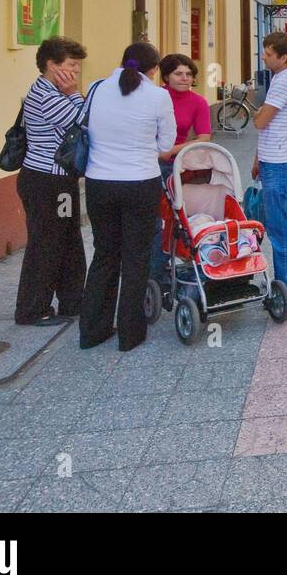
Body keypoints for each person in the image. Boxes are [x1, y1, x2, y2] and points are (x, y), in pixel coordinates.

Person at [80, 42, 175, 352]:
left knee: (105, 254)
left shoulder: (96, 89)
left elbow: (83, 126)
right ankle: (130, 334)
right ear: (154, 69)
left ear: (122, 62)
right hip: (140, 183)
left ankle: (92, 330)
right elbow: (166, 144)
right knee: (136, 257)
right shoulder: (159, 96)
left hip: (99, 183)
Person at [15, 36, 89, 326]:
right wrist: (74, 93)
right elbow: (84, 121)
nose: (76, 72)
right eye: (71, 66)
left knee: (68, 238)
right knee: (47, 243)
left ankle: (73, 300)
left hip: (59, 180)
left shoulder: (51, 92)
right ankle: (33, 309)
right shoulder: (48, 95)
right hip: (48, 182)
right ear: (51, 65)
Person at [252, 31, 287, 299]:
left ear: (283, 57)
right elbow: (268, 126)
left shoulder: (284, 81)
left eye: (269, 53)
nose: (264, 56)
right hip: (275, 158)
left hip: (279, 162)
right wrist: (257, 159)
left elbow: (261, 122)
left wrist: (257, 114)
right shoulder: (282, 77)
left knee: (281, 226)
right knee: (281, 222)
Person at [149, 53, 212, 281]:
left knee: (177, 217)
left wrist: (172, 150)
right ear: (166, 76)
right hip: (147, 163)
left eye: (188, 74)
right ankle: (154, 273)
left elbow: (204, 136)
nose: (184, 78)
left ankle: (177, 262)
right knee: (154, 219)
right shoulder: (156, 97)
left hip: (176, 165)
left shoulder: (198, 102)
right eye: (178, 74)